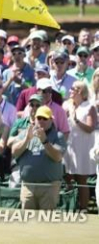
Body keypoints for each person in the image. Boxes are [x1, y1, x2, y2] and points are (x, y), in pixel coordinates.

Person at [12, 106, 65, 210]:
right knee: (27, 221)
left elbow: (58, 157)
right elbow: (14, 151)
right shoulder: (25, 133)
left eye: (45, 118)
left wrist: (45, 141)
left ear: (51, 120)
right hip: (28, 187)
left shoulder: (57, 136)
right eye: (39, 118)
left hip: (49, 187)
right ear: (34, 119)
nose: (41, 121)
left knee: (46, 222)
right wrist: (27, 139)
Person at [63, 81, 97, 210]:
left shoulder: (89, 107)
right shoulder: (66, 105)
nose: (71, 90)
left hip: (83, 149)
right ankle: (69, 206)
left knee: (81, 180)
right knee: (68, 178)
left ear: (81, 93)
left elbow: (90, 128)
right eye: (71, 88)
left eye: (74, 89)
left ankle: (83, 209)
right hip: (69, 147)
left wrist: (76, 120)